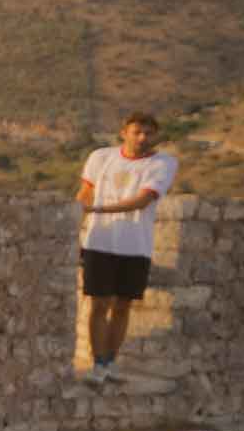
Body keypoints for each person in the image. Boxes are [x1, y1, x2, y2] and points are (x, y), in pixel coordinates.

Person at [73, 111, 179, 370]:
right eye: (137, 132)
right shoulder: (101, 157)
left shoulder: (163, 163)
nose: (143, 138)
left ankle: (109, 362)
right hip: (98, 241)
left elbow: (144, 200)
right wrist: (76, 224)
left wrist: (99, 211)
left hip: (135, 244)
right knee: (98, 303)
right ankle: (98, 362)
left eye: (149, 133)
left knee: (122, 305)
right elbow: (85, 193)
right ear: (124, 133)